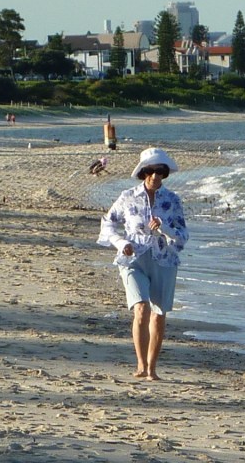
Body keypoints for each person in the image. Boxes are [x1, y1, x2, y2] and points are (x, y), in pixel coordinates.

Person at [98, 148, 188, 381]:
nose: (155, 176)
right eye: (150, 171)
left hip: (164, 260)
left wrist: (165, 229)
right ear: (142, 173)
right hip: (133, 259)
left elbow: (183, 236)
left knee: (158, 314)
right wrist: (120, 242)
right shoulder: (128, 196)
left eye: (160, 171)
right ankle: (140, 364)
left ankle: (152, 368)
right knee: (141, 309)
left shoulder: (172, 200)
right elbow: (108, 223)